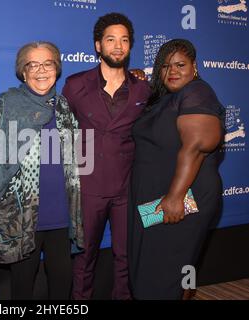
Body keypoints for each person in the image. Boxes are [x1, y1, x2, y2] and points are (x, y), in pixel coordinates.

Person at [62, 13, 151, 300]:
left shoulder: (143, 88)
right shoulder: (75, 85)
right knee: (84, 260)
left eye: (124, 40)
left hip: (127, 188)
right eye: (111, 39)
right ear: (98, 46)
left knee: (126, 258)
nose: (118, 46)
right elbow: (62, 134)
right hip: (87, 188)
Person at [128, 39, 225, 300]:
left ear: (194, 67)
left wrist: (175, 197)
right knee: (176, 266)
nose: (173, 70)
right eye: (165, 66)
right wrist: (135, 78)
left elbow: (197, 146)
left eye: (180, 64)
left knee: (165, 267)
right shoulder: (168, 98)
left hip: (183, 196)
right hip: (160, 194)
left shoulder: (198, 92)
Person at [0, 41, 83, 299]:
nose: (41, 70)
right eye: (33, 64)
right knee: (22, 286)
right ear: (23, 71)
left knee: (62, 283)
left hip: (61, 214)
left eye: (48, 63)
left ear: (57, 68)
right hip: (22, 215)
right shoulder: (7, 105)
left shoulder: (64, 107)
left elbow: (78, 161)